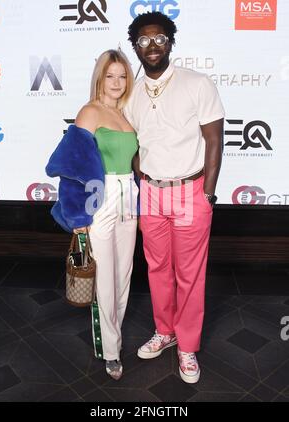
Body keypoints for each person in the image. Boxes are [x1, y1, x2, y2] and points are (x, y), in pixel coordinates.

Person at [125, 12, 225, 384]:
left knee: (189, 274)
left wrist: (209, 193)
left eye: (160, 39)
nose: (152, 46)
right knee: (157, 269)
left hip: (191, 192)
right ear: (135, 46)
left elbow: (214, 140)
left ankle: (187, 346)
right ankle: (164, 332)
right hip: (150, 192)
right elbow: (131, 142)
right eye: (144, 41)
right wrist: (143, 174)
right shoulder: (131, 92)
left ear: (171, 42)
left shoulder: (196, 83)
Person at [46, 49, 139, 380]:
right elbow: (74, 169)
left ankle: (117, 336)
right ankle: (110, 350)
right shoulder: (89, 112)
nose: (116, 82)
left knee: (124, 274)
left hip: (129, 197)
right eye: (110, 75)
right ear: (100, 78)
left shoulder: (126, 114)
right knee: (105, 277)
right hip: (100, 200)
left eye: (122, 75)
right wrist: (79, 220)